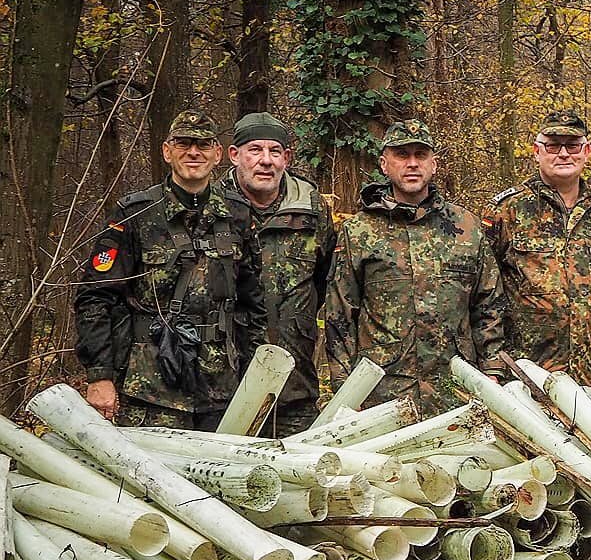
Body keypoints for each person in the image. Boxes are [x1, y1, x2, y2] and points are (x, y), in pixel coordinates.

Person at [75, 109, 265, 429]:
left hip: (220, 385)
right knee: (147, 477)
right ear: (167, 151)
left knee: (217, 473)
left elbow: (252, 303)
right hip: (149, 385)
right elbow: (95, 297)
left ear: (217, 154)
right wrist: (100, 376)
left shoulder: (237, 213)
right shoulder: (136, 213)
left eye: (203, 145)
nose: (193, 152)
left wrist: (256, 376)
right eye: (183, 143)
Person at [323, 119, 505, 415]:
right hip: (383, 395)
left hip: (455, 390)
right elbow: (339, 314)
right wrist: (344, 390)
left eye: (420, 155)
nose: (412, 164)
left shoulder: (466, 228)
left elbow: (489, 305)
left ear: (433, 164)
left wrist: (493, 371)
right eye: (401, 155)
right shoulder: (359, 232)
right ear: (384, 164)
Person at [486, 110, 591, 387]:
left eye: (572, 146)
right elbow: (483, 294)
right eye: (553, 145)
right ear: (537, 152)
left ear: (586, 152)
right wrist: (492, 363)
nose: (563, 154)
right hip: (528, 375)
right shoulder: (506, 211)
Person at [221, 111, 334, 434]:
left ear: (286, 158)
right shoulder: (212, 209)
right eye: (255, 150)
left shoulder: (310, 208)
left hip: (293, 385)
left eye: (274, 152)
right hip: (225, 386)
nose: (265, 161)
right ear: (235, 156)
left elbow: (323, 282)